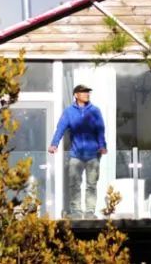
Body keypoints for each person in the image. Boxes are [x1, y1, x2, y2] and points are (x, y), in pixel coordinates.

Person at [48, 84, 107, 218]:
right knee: (74, 184)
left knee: (91, 185)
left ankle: (90, 212)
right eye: (84, 92)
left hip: (93, 155)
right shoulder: (69, 112)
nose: (87, 94)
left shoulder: (95, 111)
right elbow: (60, 128)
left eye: (88, 92)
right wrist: (54, 144)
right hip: (76, 155)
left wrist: (102, 145)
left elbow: (100, 130)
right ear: (76, 95)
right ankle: (76, 211)